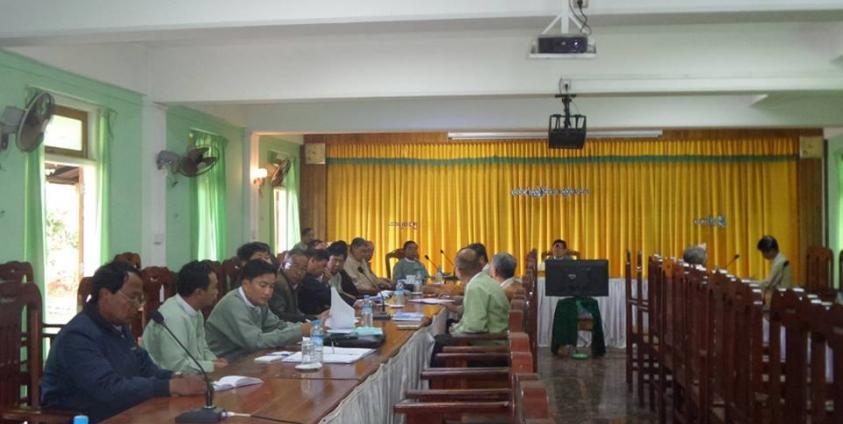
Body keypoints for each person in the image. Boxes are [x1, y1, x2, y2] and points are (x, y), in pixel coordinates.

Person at [41, 261, 206, 423]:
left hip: (125, 412)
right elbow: (108, 389)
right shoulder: (78, 336)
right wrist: (169, 386)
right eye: (132, 297)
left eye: (140, 299)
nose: (137, 306)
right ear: (105, 295)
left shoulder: (119, 327)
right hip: (84, 417)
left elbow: (146, 368)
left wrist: (177, 377)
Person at [206, 259, 311, 361]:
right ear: (246, 285)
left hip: (248, 359)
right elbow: (256, 342)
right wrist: (300, 331)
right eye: (263, 285)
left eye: (271, 287)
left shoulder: (259, 301)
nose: (267, 292)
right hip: (225, 364)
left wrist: (310, 327)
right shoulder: (233, 304)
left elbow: (277, 325)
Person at [142, 261, 227, 374]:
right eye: (214, 288)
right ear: (199, 292)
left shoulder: (196, 311)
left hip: (193, 376)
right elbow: (176, 365)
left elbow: (202, 348)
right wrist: (212, 366)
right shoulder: (173, 317)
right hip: (164, 381)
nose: (217, 292)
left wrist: (214, 360)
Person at [450, 247, 510, 335]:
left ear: (459, 270)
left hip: (490, 342)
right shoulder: (485, 279)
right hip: (497, 334)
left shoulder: (475, 286)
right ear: (480, 265)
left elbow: (474, 327)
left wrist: (454, 330)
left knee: (438, 342)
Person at [267, 249, 311, 322]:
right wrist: (309, 319)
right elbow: (280, 316)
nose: (299, 272)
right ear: (283, 264)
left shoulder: (293, 283)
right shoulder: (279, 283)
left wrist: (314, 317)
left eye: (304, 269)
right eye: (295, 266)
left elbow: (295, 312)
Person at [298, 249, 332, 315]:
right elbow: (326, 295)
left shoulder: (311, 277)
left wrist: (324, 282)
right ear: (312, 260)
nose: (324, 270)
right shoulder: (305, 278)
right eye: (324, 266)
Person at [325, 241, 360, 306]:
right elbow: (332, 295)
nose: (337, 264)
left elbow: (339, 292)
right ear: (327, 259)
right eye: (335, 260)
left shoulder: (338, 275)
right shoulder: (324, 275)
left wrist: (354, 299)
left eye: (341, 261)